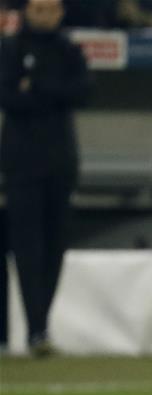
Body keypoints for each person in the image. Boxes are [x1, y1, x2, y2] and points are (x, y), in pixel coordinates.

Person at [0, 0, 88, 356]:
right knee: (27, 247)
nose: (45, 15)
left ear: (61, 12)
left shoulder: (69, 49)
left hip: (61, 160)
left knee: (54, 246)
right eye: (38, 8)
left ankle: (40, 327)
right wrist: (53, 92)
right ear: (26, 12)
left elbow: (83, 92)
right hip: (20, 161)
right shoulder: (10, 48)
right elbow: (8, 98)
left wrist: (35, 87)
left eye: (51, 8)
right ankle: (35, 327)